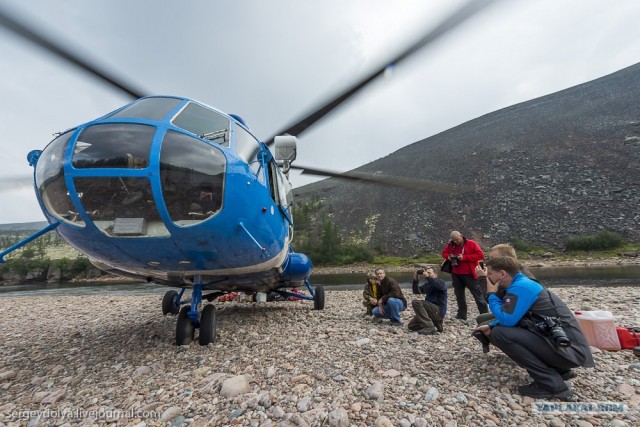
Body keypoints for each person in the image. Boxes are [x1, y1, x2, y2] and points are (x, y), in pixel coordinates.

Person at [472, 256, 595, 400]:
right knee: (496, 328)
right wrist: (491, 324)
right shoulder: (520, 283)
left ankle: (551, 385)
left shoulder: (521, 287)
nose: (488, 276)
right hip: (567, 348)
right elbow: (519, 317)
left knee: (501, 333)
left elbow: (506, 320)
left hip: (570, 351)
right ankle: (559, 371)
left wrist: (491, 293)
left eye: (490, 273)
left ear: (502, 274)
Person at [475, 243, 536, 326]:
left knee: (485, 326)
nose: (490, 262)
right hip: (514, 311)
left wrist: (482, 278)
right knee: (481, 318)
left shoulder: (516, 277)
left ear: (506, 258)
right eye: (490, 258)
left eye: (493, 258)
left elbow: (491, 297)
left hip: (525, 316)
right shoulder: (514, 271)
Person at [441, 231, 487, 320]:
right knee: (459, 295)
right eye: (454, 240)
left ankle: (484, 314)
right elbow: (444, 253)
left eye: (457, 239)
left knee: (477, 294)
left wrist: (464, 257)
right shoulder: (451, 245)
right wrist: (449, 257)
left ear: (461, 236)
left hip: (470, 274)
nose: (456, 241)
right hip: (456, 274)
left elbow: (481, 255)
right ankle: (462, 315)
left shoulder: (471, 243)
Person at [408, 267, 448, 335]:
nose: (427, 274)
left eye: (430, 273)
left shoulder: (440, 282)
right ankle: (435, 323)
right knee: (411, 326)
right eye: (427, 273)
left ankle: (429, 326)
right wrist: (415, 280)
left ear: (435, 274)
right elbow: (416, 291)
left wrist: (427, 277)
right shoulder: (428, 284)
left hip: (438, 310)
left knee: (416, 302)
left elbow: (438, 286)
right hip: (429, 311)